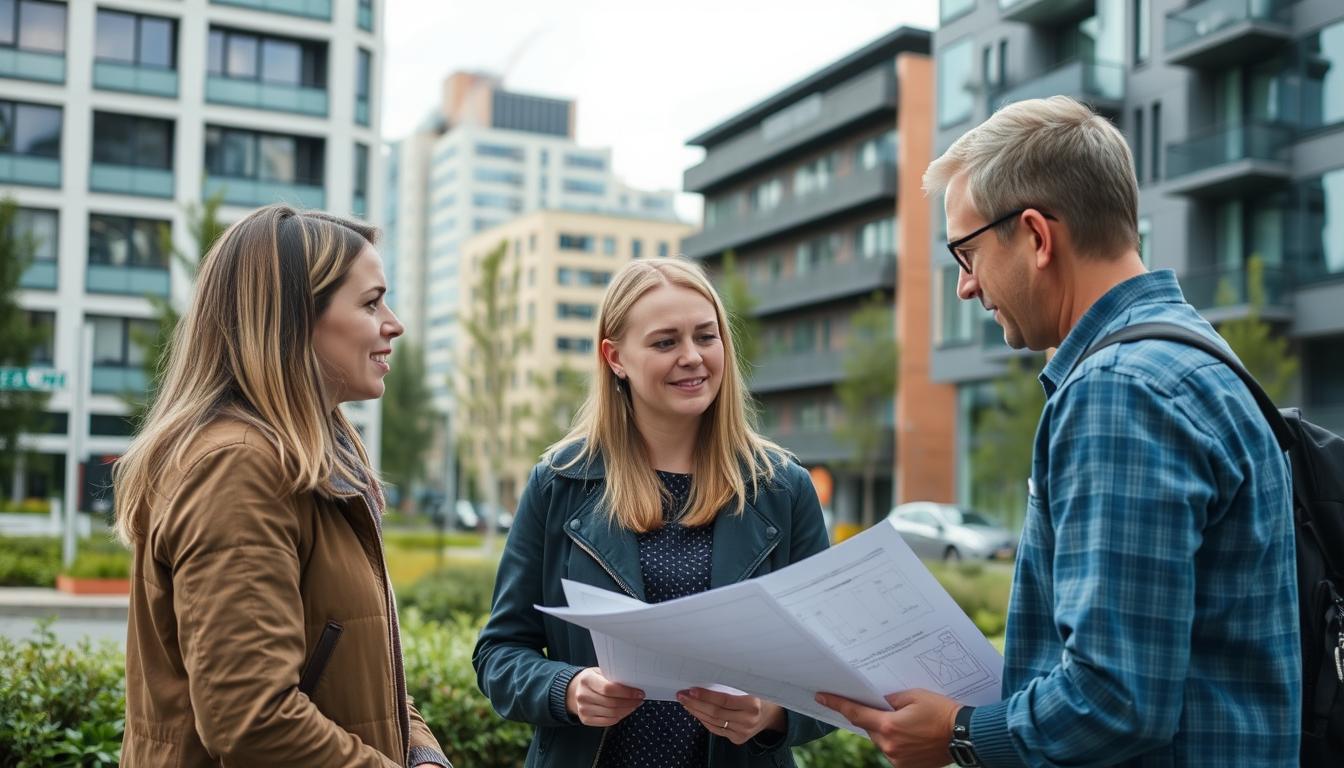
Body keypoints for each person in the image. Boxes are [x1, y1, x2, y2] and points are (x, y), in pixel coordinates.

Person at [818, 95, 1300, 767]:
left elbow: (1116, 700)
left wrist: (957, 733)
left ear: (1038, 237)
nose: (966, 288)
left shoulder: (1119, 393)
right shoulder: (1195, 356)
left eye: (967, 253)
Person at [115, 205, 451, 767]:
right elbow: (253, 721)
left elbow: (357, 675)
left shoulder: (308, 461)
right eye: (370, 303)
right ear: (295, 318)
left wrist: (423, 756)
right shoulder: (237, 467)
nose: (394, 323)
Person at [473, 257, 834, 766]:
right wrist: (569, 687)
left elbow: (833, 665)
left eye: (706, 337)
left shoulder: (782, 487)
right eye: (666, 342)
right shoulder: (559, 481)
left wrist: (773, 714)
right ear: (615, 357)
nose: (692, 357)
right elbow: (499, 655)